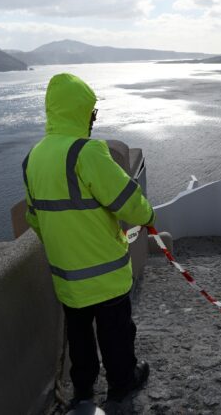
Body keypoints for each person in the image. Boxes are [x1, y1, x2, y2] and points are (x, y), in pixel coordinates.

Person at [22, 73, 155, 407]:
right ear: (80, 112)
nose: (94, 121)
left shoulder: (33, 159)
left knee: (79, 338)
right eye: (92, 113)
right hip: (106, 275)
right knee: (117, 336)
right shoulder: (87, 153)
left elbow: (34, 218)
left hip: (67, 278)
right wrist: (149, 217)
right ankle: (122, 383)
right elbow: (128, 201)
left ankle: (83, 389)